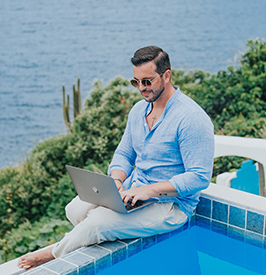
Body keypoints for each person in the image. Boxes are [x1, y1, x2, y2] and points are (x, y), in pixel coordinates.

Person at [18, 46, 214, 270]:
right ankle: (96, 233)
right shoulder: (139, 111)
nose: (141, 88)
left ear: (166, 75)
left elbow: (199, 178)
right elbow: (123, 154)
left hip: (171, 205)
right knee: (74, 209)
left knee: (96, 225)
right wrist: (117, 182)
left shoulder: (192, 118)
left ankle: (50, 255)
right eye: (136, 82)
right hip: (132, 189)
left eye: (147, 81)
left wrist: (148, 191)